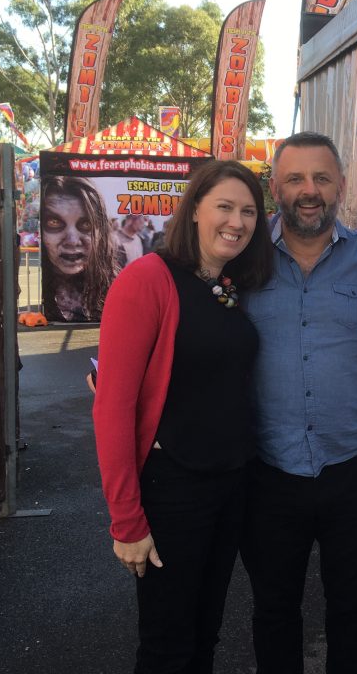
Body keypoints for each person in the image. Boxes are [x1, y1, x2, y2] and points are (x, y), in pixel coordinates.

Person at [92, 159, 274, 673]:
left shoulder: (230, 284)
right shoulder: (148, 278)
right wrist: (126, 521)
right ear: (194, 209)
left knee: (204, 636)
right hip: (173, 491)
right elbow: (112, 406)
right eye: (224, 207)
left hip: (229, 485)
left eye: (248, 211)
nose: (236, 221)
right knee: (167, 645)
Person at [241, 132, 357, 673]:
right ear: (275, 186)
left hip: (353, 467)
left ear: (341, 187)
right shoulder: (244, 260)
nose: (309, 191)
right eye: (296, 179)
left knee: (352, 609)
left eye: (321, 178)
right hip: (268, 471)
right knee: (274, 611)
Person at [41, 175, 118, 322]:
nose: (73, 241)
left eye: (86, 224)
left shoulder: (118, 290)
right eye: (54, 222)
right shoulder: (32, 296)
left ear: (101, 231)